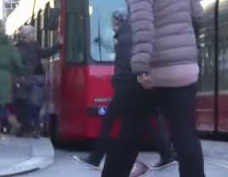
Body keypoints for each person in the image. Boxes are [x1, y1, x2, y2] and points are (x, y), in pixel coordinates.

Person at [102, 0, 205, 177]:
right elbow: (199, 15)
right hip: (186, 72)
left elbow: (142, 27)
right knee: (185, 134)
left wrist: (141, 69)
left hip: (155, 73)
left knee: (130, 132)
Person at [75, 10, 176, 170]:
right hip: (136, 85)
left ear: (117, 22)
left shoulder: (124, 38)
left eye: (113, 24)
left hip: (126, 86)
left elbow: (125, 65)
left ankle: (95, 158)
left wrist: (118, 81)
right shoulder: (133, 33)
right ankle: (167, 154)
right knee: (150, 119)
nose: (113, 28)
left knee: (109, 121)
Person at [15, 25, 59, 138]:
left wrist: (58, 46)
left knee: (31, 104)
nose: (34, 36)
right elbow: (45, 53)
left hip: (29, 79)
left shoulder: (22, 48)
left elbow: (46, 52)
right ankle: (31, 127)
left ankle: (31, 127)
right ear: (27, 35)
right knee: (32, 104)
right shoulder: (25, 48)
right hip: (30, 79)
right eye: (32, 34)